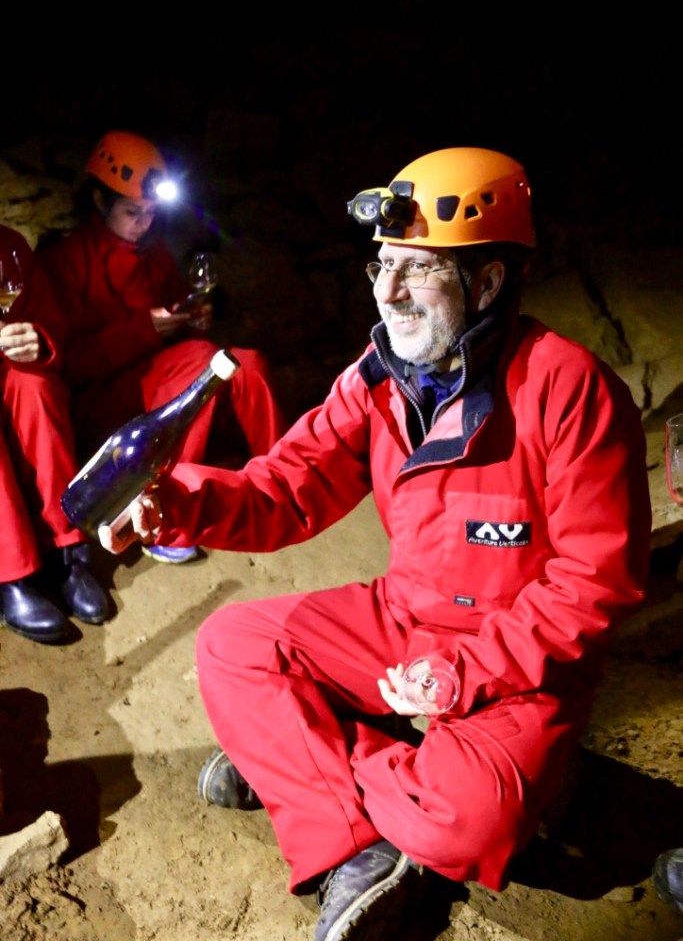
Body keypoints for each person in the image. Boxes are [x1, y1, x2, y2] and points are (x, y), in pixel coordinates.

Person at [99, 146, 652, 941]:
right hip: (402, 622)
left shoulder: (567, 390)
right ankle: (358, 839)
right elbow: (285, 489)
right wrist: (174, 503)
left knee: (470, 822)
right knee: (231, 647)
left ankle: (308, 768)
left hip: (514, 661)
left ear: (487, 282)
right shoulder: (379, 377)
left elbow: (592, 583)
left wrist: (464, 672)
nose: (387, 291)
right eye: (382, 264)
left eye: (416, 268)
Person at [36, 130, 288, 565]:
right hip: (105, 403)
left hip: (162, 380)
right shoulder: (65, 262)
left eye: (151, 213)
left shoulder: (152, 255)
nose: (144, 224)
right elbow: (68, 364)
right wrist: (145, 329)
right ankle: (160, 516)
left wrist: (190, 316)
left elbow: (174, 316)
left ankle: (282, 476)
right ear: (99, 200)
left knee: (244, 363)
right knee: (202, 363)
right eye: (133, 212)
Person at [0, 225, 110, 644]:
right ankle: (11, 575)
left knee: (36, 388)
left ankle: (64, 550)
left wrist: (37, 339)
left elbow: (48, 323)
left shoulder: (8, 246)